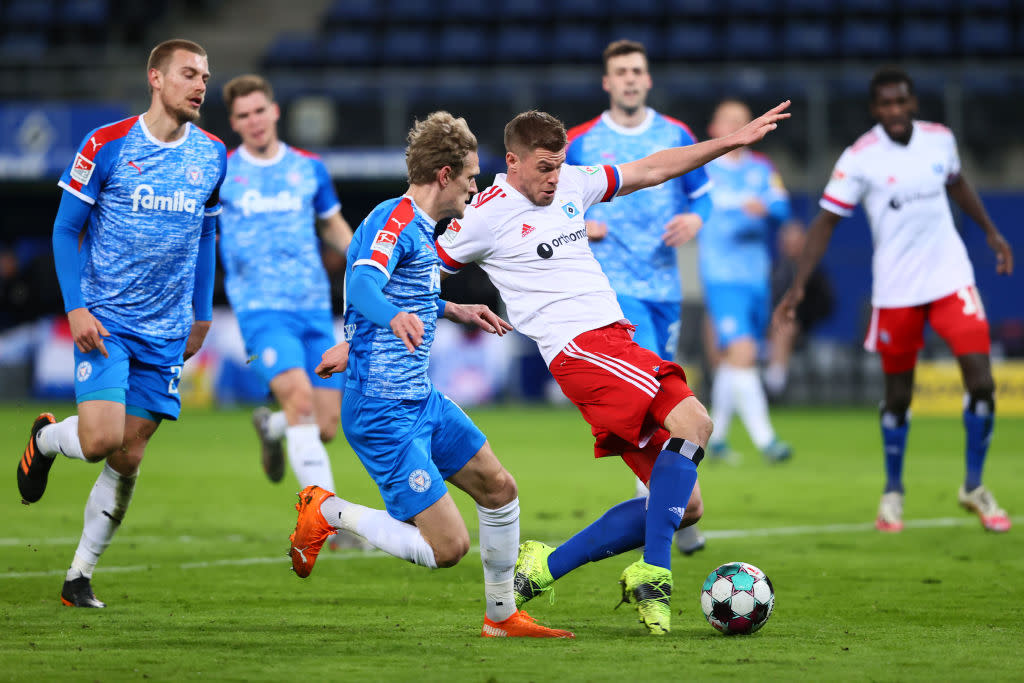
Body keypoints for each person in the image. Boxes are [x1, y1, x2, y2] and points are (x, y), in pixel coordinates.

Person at [435, 103, 790, 634]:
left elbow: (652, 168)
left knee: (685, 504)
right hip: (580, 349)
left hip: (611, 342)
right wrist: (444, 307)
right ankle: (656, 574)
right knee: (696, 423)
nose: (554, 179)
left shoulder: (573, 183)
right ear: (511, 162)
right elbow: (417, 268)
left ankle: (542, 568)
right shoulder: (484, 214)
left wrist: (729, 142)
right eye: (543, 169)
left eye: (559, 166)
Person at [290, 111, 574, 639]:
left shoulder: (423, 229)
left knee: (499, 487)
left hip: (421, 399)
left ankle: (501, 616)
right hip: (380, 412)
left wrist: (452, 308)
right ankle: (326, 510)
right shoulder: (392, 221)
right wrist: (389, 318)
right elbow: (367, 284)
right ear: (444, 175)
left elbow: (407, 293)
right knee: (448, 549)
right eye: (469, 175)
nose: (475, 185)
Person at [16, 39, 226, 607]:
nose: (201, 84)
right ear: (155, 78)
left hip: (167, 328)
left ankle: (78, 576)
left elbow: (208, 234)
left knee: (128, 455)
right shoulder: (106, 144)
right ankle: (45, 440)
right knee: (100, 438)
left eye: (205, 76)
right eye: (189, 74)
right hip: (105, 320)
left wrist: (202, 315)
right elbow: (64, 230)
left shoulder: (212, 153)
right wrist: (76, 307)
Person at [774, 66, 1013, 533]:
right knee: (898, 396)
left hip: (951, 278)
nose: (896, 111)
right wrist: (799, 283)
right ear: (874, 109)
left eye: (902, 102)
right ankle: (894, 492)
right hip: (897, 289)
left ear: (913, 103)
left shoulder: (940, 139)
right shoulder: (860, 157)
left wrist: (991, 232)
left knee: (981, 382)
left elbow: (958, 183)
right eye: (886, 104)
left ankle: (974, 485)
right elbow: (825, 221)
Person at [564, 39, 712, 556]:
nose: (629, 78)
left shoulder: (676, 135)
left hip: (663, 288)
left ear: (647, 79)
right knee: (654, 406)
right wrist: (580, 223)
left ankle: (675, 509)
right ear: (607, 82)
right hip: (611, 292)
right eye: (620, 72)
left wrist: (696, 218)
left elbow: (702, 194)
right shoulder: (581, 141)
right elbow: (550, 203)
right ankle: (666, 525)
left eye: (637, 71)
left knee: (665, 404)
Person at [216, 75, 363, 549]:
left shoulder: (308, 169)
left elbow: (333, 225)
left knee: (324, 426)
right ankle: (326, 523)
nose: (253, 121)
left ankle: (272, 427)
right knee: (300, 400)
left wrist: (372, 260)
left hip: (314, 312)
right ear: (234, 122)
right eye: (242, 115)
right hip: (262, 313)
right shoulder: (221, 173)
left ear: (274, 111)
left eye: (259, 110)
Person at [699, 98, 793, 463]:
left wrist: (767, 207)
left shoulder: (762, 169)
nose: (738, 126)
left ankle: (717, 437)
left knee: (731, 361)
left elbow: (784, 208)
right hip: (722, 276)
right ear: (714, 130)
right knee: (744, 354)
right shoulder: (705, 170)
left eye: (743, 121)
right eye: (730, 121)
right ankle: (767, 440)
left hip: (756, 276)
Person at [765, 219, 835, 397]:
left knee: (785, 327)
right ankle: (722, 382)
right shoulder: (773, 270)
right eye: (786, 241)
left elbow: (826, 305)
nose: (790, 246)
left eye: (794, 241)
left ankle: (774, 387)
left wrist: (800, 316)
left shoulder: (812, 273)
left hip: (798, 329)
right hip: (764, 326)